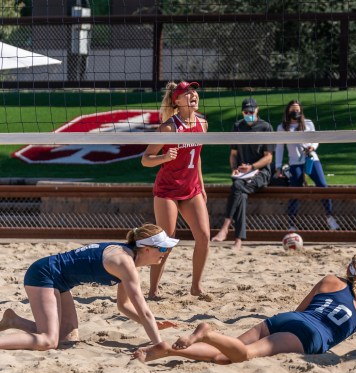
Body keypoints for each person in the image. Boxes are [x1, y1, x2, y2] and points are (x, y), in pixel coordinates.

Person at [132, 252, 356, 363]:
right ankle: (207, 332)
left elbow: (300, 309)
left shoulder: (330, 280)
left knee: (225, 354)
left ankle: (167, 350)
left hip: (287, 320)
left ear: (348, 269)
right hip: (307, 336)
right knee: (241, 356)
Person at [0, 224, 178, 351]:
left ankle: (14, 321)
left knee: (67, 338)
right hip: (44, 274)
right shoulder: (124, 262)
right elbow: (144, 311)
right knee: (48, 341)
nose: (166, 253)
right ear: (146, 249)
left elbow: (123, 305)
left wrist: (152, 325)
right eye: (163, 249)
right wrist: (158, 344)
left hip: (60, 281)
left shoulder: (128, 259)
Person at [142, 81, 210, 298]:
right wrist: (163, 157)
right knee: (167, 240)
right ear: (177, 101)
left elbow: (196, 157)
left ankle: (196, 287)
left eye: (194, 92)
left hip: (191, 189)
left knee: (204, 236)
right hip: (167, 191)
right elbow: (145, 160)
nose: (193, 95)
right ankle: (153, 290)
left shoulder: (203, 123)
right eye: (187, 93)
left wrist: (201, 184)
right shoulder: (169, 128)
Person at [211, 98, 275, 250]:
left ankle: (225, 227)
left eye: (251, 112)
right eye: (246, 112)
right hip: (242, 174)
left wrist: (252, 167)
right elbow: (233, 154)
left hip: (261, 173)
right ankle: (238, 239)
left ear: (257, 110)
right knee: (241, 193)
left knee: (237, 188)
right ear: (242, 112)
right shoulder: (238, 126)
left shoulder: (266, 127)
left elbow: (269, 157)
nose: (249, 114)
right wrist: (234, 168)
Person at [275, 100, 340, 231]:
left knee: (323, 186)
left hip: (311, 159)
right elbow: (279, 148)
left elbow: (315, 139)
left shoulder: (308, 123)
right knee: (295, 191)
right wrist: (278, 166)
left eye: (298, 110)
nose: (296, 112)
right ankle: (292, 224)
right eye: (293, 109)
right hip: (295, 162)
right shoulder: (282, 127)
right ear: (288, 111)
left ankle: (330, 218)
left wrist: (312, 147)